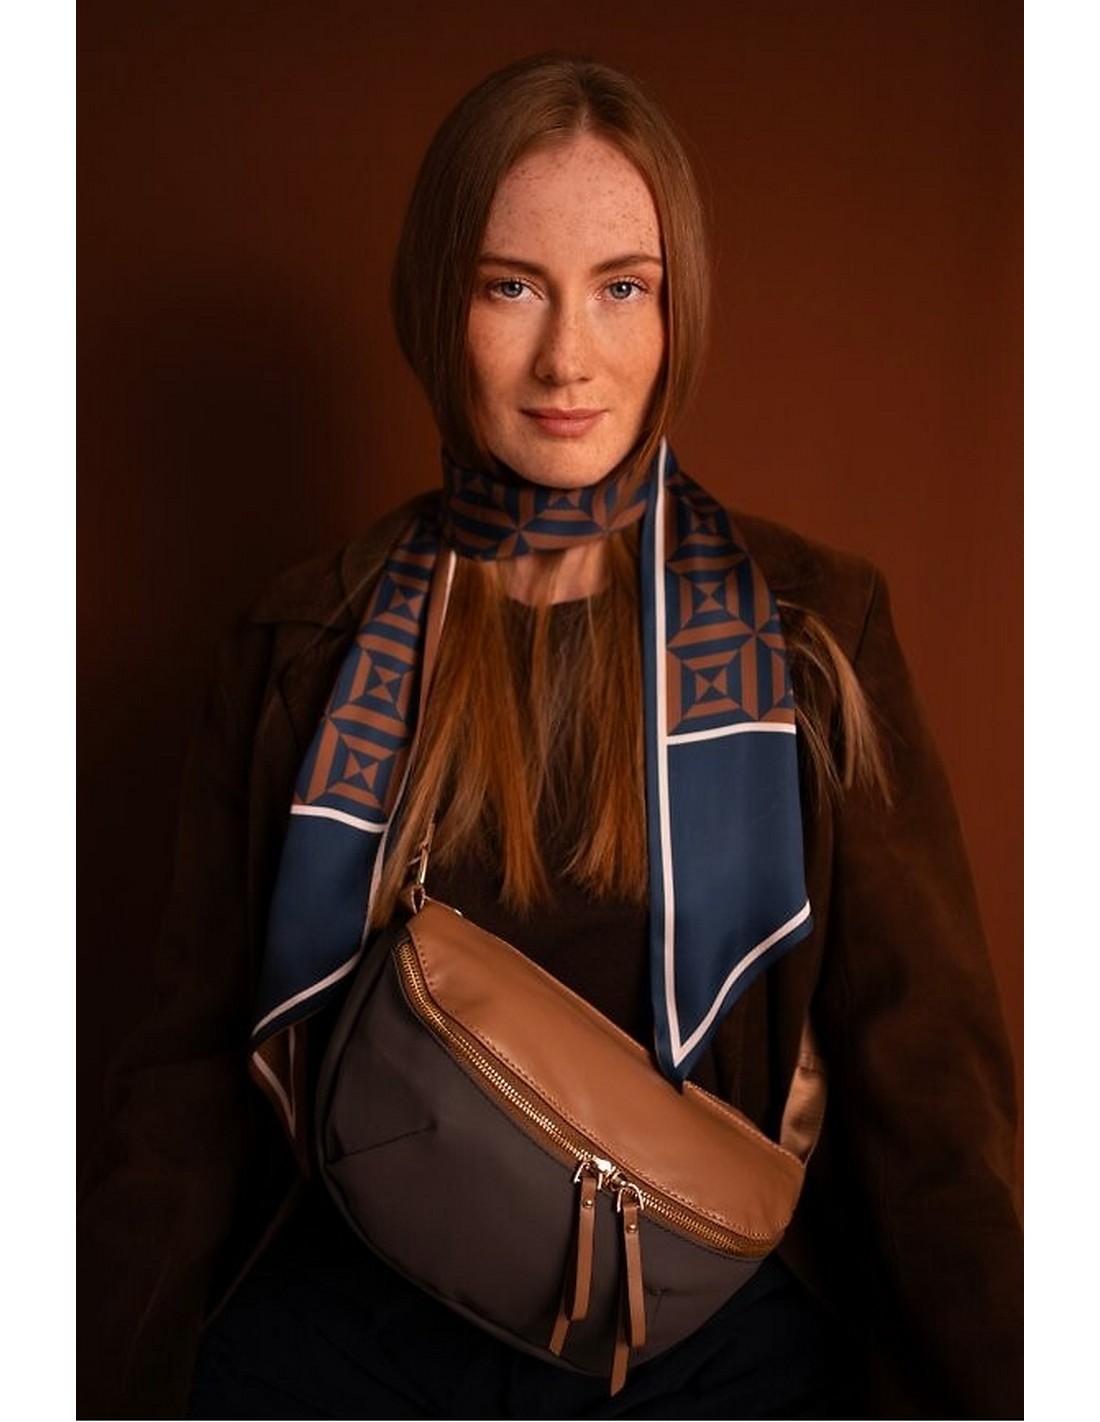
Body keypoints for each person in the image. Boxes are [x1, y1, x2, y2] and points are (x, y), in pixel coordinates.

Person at [77, 53, 1023, 1420]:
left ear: (679, 308)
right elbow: (184, 1093)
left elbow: (932, 1104)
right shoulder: (307, 645)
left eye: (622, 287)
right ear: (437, 303)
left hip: (701, 1333)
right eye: (510, 286)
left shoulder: (811, 634)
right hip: (364, 1323)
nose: (567, 357)